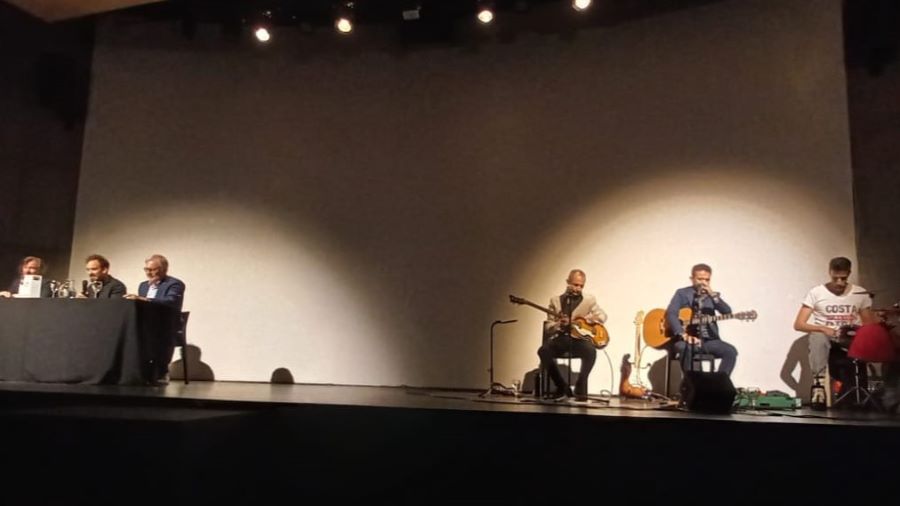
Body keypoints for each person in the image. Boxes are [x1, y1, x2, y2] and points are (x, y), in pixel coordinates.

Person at [793, 257, 873, 409]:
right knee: (818, 337)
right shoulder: (816, 292)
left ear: (849, 273)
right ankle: (819, 387)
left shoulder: (860, 293)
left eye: (843, 278)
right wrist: (823, 328)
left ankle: (857, 394)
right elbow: (799, 324)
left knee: (867, 337)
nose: (839, 283)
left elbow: (869, 324)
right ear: (830, 273)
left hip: (849, 337)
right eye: (835, 278)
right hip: (827, 337)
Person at [537, 269, 607, 401]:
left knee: (591, 351)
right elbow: (548, 327)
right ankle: (562, 386)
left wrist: (588, 319)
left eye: (581, 286)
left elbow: (603, 316)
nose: (578, 288)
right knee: (543, 351)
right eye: (575, 284)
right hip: (562, 338)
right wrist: (559, 324)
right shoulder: (555, 301)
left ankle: (581, 384)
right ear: (567, 282)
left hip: (579, 340)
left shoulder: (589, 300)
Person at [665, 263, 738, 377]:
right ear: (692, 279)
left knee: (730, 351)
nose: (703, 282)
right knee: (684, 348)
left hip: (709, 342)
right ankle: (691, 384)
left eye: (707, 280)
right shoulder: (682, 293)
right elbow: (671, 313)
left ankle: (719, 383)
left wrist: (712, 294)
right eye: (700, 279)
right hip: (685, 341)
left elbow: (727, 312)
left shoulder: (713, 296)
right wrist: (683, 334)